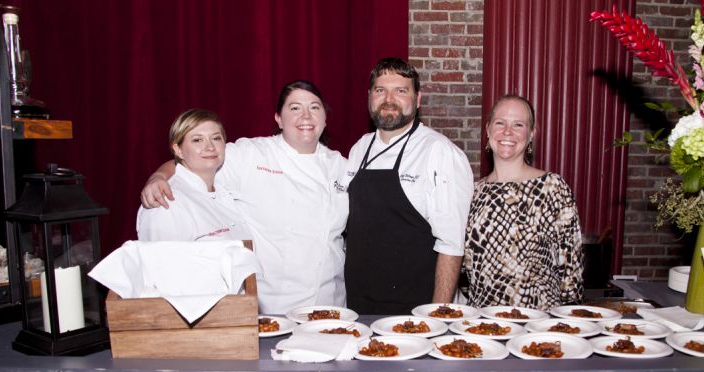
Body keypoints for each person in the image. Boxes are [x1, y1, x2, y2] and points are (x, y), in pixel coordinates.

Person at [140, 81, 348, 314]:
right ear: (278, 118)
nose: (306, 116)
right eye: (295, 108)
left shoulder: (340, 166)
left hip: (330, 301)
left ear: (325, 118)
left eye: (315, 107)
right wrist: (158, 177)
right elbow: (196, 160)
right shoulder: (251, 155)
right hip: (272, 305)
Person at [341, 57, 474, 315]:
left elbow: (451, 244)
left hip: (415, 311)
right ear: (370, 97)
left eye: (401, 91)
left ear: (418, 99)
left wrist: (438, 316)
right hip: (360, 306)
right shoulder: (360, 148)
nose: (389, 99)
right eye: (381, 90)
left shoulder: (438, 151)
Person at [464, 94, 583, 310]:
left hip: (538, 326)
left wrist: (568, 322)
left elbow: (571, 269)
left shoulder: (552, 187)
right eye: (500, 123)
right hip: (482, 324)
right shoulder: (472, 193)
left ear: (531, 134)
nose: (507, 132)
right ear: (488, 129)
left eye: (518, 125)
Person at [136, 109, 251, 242]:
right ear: (178, 150)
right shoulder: (166, 202)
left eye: (216, 138)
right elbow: (158, 261)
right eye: (197, 140)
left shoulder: (224, 194)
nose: (210, 147)